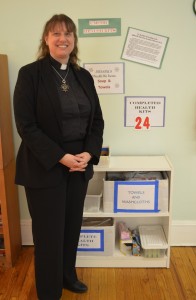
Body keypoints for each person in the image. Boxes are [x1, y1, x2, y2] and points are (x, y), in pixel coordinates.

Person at [13, 14, 104, 300]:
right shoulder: (30, 74)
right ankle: (49, 292)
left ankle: (67, 276)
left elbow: (97, 121)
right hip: (45, 165)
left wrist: (89, 152)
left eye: (68, 33)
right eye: (56, 33)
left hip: (79, 165)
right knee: (49, 235)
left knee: (70, 228)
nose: (62, 38)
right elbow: (26, 126)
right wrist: (62, 156)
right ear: (46, 39)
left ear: (74, 40)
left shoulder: (83, 76)